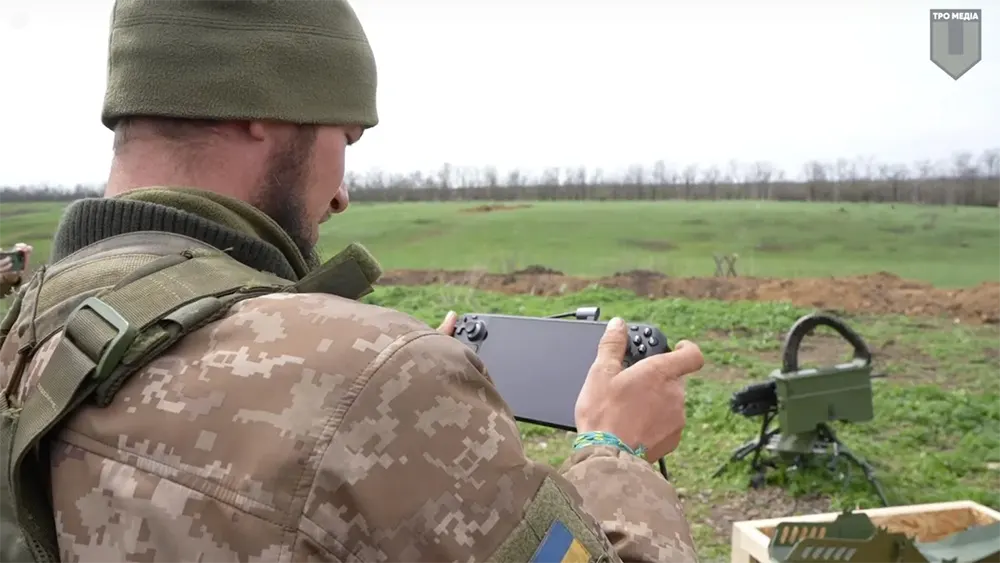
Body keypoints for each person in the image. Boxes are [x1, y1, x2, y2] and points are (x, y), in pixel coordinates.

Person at [0, 1, 706, 561]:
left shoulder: (25, 324)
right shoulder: (374, 386)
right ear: (263, 102)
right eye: (348, 139)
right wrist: (619, 453)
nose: (341, 196)